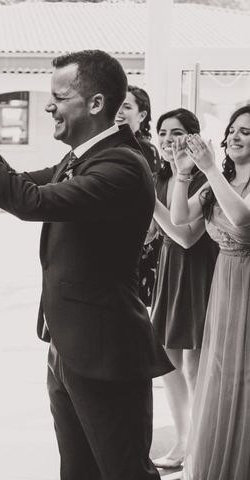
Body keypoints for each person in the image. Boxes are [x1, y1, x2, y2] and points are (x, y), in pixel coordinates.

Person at [0, 50, 173, 480]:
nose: (48, 105)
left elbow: (31, 202)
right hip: (69, 345)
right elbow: (22, 184)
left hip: (107, 350)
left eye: (58, 96)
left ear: (95, 104)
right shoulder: (82, 157)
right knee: (78, 471)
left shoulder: (122, 165)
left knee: (123, 471)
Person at [170, 105, 250, 480]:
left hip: (247, 284)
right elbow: (180, 219)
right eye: (233, 129)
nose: (234, 136)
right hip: (225, 284)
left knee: (244, 375)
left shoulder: (222, 178)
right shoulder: (221, 179)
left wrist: (210, 169)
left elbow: (241, 218)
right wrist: (184, 174)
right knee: (220, 375)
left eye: (246, 132)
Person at [147, 109, 218, 469]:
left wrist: (148, 200)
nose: (168, 140)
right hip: (169, 273)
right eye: (162, 133)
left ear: (193, 137)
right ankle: (182, 441)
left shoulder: (207, 180)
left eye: (176, 133)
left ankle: (202, 445)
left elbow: (186, 236)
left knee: (194, 367)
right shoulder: (160, 176)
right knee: (169, 363)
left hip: (200, 271)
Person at [116, 85, 163, 305]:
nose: (119, 111)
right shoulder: (105, 146)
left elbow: (149, 197)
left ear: (141, 115)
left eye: (126, 106)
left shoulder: (146, 151)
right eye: (116, 105)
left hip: (136, 239)